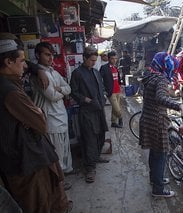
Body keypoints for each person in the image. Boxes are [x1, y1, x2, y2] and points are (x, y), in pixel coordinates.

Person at [0, 39, 69, 212]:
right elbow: (40, 121)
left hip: (31, 156)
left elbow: (67, 89)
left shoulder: (13, 84)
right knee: (39, 203)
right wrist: (37, 112)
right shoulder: (10, 91)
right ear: (8, 62)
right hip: (28, 161)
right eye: (22, 61)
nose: (25, 66)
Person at [139, 52, 183, 198]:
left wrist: (173, 96)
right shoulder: (161, 79)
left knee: (154, 153)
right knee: (161, 154)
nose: (173, 72)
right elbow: (160, 97)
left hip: (148, 120)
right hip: (157, 122)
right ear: (166, 66)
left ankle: (155, 179)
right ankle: (158, 189)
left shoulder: (150, 75)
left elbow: (159, 94)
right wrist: (179, 106)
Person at [31, 42, 73, 177]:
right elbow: (52, 96)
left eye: (52, 55)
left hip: (61, 115)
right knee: (56, 151)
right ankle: (59, 179)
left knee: (65, 147)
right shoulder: (39, 75)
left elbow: (69, 88)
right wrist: (62, 92)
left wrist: (60, 89)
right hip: (50, 118)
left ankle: (65, 172)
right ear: (38, 55)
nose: (51, 58)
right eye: (47, 55)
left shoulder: (53, 73)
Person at [70, 46, 109, 183]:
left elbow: (101, 87)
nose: (93, 63)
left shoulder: (96, 72)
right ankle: (90, 168)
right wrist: (85, 99)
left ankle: (96, 157)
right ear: (84, 58)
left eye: (95, 60)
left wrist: (103, 96)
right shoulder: (77, 73)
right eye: (91, 60)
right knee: (89, 139)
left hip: (99, 109)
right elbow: (73, 92)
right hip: (87, 112)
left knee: (100, 135)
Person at [100, 50, 123, 129]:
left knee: (114, 108)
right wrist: (103, 89)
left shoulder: (115, 67)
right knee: (117, 108)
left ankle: (113, 122)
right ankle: (120, 117)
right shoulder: (104, 68)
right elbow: (99, 79)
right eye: (112, 59)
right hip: (110, 91)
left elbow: (117, 79)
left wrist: (120, 85)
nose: (114, 60)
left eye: (115, 58)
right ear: (109, 59)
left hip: (118, 90)